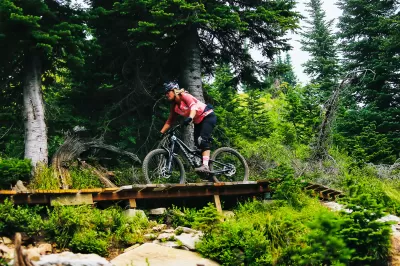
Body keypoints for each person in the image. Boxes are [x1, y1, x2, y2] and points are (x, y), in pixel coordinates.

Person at [160, 81, 217, 174]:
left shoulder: (185, 96)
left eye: (168, 92)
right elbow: (170, 121)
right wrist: (161, 132)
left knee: (202, 141)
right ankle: (207, 167)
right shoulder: (175, 107)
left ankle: (206, 166)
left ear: (174, 91)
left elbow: (193, 107)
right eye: (165, 93)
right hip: (198, 121)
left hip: (208, 116)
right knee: (198, 145)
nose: (166, 95)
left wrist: (190, 117)